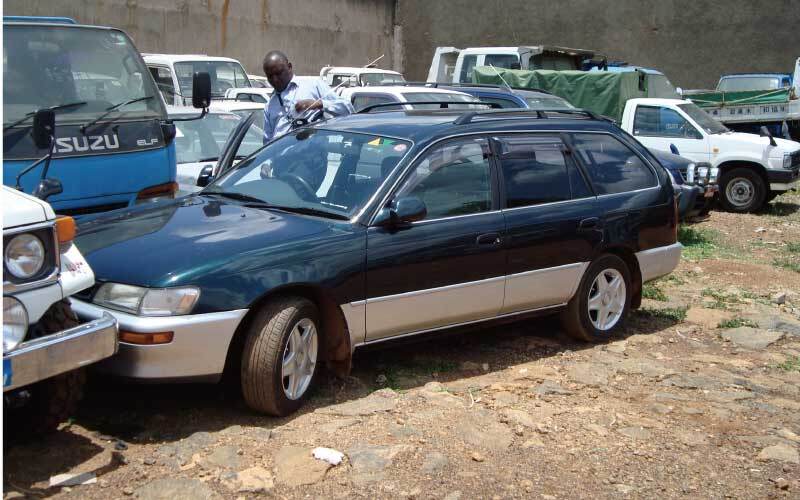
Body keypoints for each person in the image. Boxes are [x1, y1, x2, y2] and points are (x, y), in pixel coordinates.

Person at [262, 51, 353, 143]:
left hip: (313, 150)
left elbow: (347, 109)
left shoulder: (313, 85)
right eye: (270, 76)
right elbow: (267, 141)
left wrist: (319, 104)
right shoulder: (270, 105)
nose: (275, 80)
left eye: (278, 73)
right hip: (281, 151)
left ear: (289, 67)